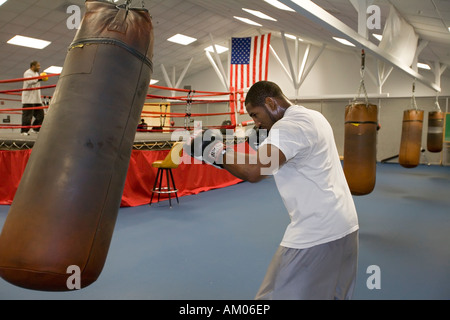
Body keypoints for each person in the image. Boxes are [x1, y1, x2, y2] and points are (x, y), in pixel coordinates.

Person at [184, 81, 359, 300]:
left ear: (270, 103)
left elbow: (255, 171)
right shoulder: (314, 117)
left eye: (256, 115)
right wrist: (221, 155)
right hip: (345, 227)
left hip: (316, 234)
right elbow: (263, 162)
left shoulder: (289, 126)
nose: (256, 123)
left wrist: (213, 151)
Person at [21, 61, 47, 136]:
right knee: (27, 116)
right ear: (33, 66)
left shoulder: (36, 74)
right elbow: (29, 82)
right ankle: (24, 131)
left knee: (41, 115)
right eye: (38, 66)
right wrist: (40, 79)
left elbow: (36, 81)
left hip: (36, 99)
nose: (39, 67)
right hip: (28, 99)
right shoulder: (27, 73)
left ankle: (35, 129)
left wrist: (40, 78)